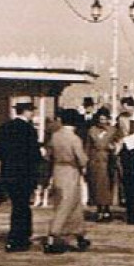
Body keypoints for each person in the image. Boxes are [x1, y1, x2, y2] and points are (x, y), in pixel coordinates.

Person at [43, 108, 90, 254]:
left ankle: (79, 234)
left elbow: (48, 154)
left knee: (69, 204)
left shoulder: (55, 136)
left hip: (57, 170)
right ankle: (53, 235)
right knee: (68, 204)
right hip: (71, 171)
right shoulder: (74, 138)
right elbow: (81, 158)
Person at [0, 100, 42, 252]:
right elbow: (34, 155)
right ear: (27, 112)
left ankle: (16, 235)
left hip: (9, 173)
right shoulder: (29, 130)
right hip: (25, 173)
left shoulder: (4, 127)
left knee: (16, 204)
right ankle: (21, 237)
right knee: (23, 206)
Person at [83, 106, 117, 222]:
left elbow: (117, 143)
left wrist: (113, 148)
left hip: (108, 160)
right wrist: (86, 161)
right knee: (95, 185)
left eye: (104, 119)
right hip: (95, 160)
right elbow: (87, 147)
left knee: (107, 186)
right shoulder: (92, 130)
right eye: (100, 119)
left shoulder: (113, 130)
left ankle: (107, 209)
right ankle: (99, 209)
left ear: (108, 119)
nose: (102, 122)